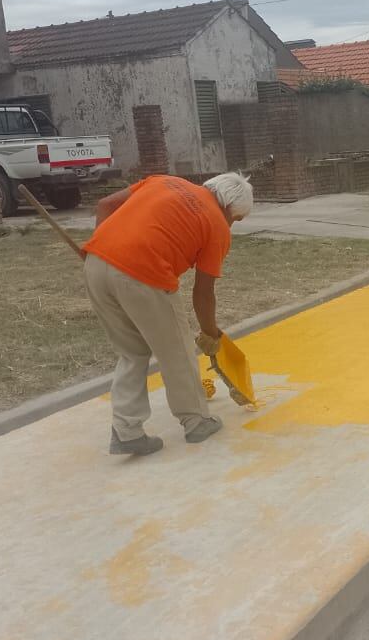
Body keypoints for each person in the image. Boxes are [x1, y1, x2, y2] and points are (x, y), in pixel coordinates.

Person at [82, 172, 253, 456]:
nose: (231, 226)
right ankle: (196, 420)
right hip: (143, 275)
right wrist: (210, 333)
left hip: (96, 264)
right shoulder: (217, 224)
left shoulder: (161, 181)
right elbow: (203, 291)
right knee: (178, 350)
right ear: (230, 209)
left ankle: (127, 430)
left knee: (132, 352)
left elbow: (104, 205)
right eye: (235, 220)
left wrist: (100, 245)